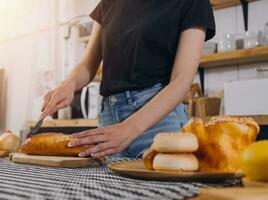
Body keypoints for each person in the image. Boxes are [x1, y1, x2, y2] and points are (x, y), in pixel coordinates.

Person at [40, 0, 215, 159]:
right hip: (109, 120)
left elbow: (182, 81)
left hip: (159, 123)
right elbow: (88, 65)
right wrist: (68, 84)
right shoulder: (109, 3)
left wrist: (128, 129)